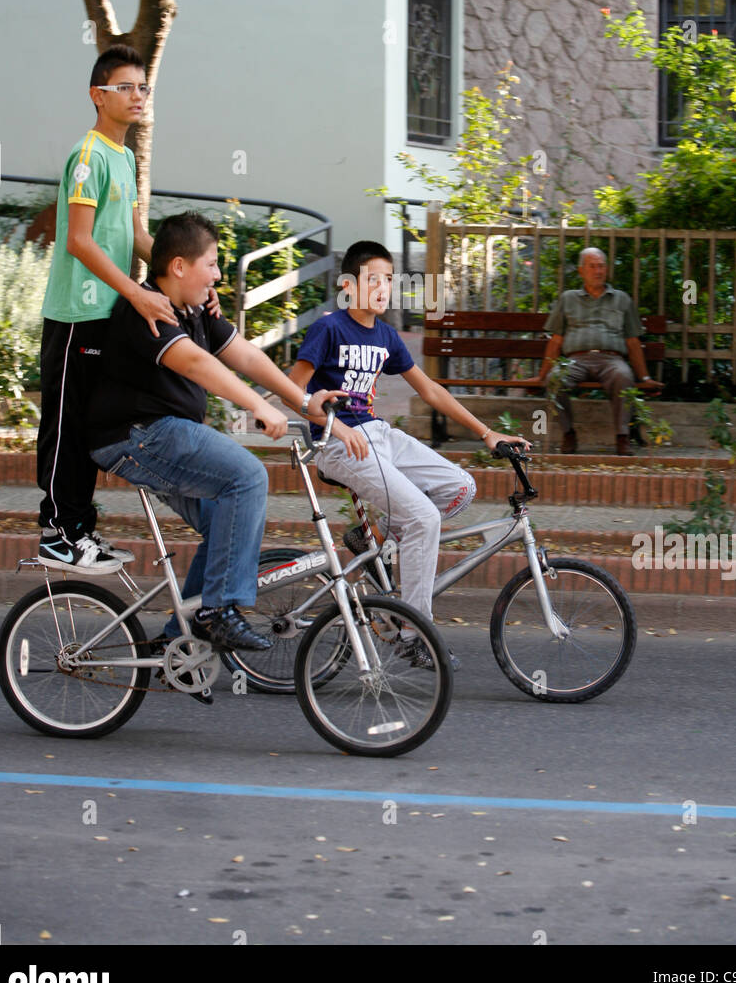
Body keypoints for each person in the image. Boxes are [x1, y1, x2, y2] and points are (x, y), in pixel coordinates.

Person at [86, 211, 346, 680]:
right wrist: (258, 408)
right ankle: (218, 611)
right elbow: (196, 365)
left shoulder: (196, 309)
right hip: (138, 435)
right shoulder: (147, 309)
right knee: (247, 477)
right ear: (180, 266)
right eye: (212, 263)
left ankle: (176, 641)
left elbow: (244, 355)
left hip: (162, 437)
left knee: (227, 523)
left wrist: (304, 401)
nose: (219, 275)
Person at [288, 240, 530, 668]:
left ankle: (376, 537)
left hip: (378, 434)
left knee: (460, 488)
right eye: (374, 279)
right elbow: (292, 389)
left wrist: (487, 432)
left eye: (389, 281)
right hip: (336, 443)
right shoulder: (329, 328)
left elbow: (430, 389)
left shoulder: (386, 335)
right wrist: (335, 426)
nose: (384, 288)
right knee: (423, 517)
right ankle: (412, 632)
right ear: (349, 285)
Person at [37, 45, 179, 571]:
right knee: (65, 426)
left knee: (89, 427)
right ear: (98, 95)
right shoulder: (89, 155)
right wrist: (138, 292)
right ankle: (56, 533)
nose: (139, 95)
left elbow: (137, 236)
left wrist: (179, 273)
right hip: (76, 316)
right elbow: (79, 241)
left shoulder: (123, 157)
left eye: (144, 87)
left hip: (106, 319)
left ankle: (80, 530)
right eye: (127, 87)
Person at [533, 246, 662, 455]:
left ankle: (623, 437)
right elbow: (556, 341)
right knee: (555, 380)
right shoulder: (568, 298)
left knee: (623, 376)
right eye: (592, 266)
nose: (598, 271)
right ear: (581, 271)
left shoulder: (621, 299)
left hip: (611, 359)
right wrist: (541, 375)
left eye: (601, 266)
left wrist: (644, 377)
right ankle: (569, 434)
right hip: (575, 359)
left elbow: (632, 341)